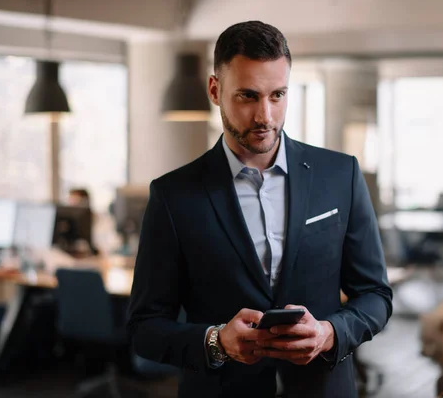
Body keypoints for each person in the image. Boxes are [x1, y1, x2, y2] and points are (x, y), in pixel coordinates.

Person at [127, 20, 393, 397]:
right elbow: (145, 327)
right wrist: (216, 341)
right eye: (248, 96)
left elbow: (375, 295)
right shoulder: (173, 195)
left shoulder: (341, 174)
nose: (265, 116)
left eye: (277, 95)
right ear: (215, 91)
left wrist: (329, 333)